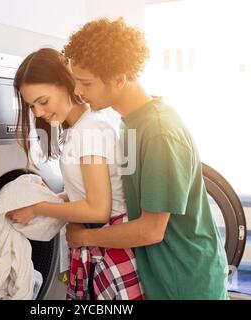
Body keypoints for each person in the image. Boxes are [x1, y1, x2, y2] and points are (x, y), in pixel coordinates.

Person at [63, 17, 229, 300]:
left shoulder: (159, 133)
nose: (78, 91)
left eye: (85, 83)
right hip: (157, 274)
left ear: (119, 79)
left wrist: (84, 238)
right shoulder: (128, 122)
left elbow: (151, 230)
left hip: (185, 281)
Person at [6, 48, 145, 300]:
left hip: (110, 248)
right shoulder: (75, 130)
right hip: (98, 244)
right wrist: (47, 200)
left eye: (43, 101)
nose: (37, 113)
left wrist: (38, 208)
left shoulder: (89, 131)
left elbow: (97, 209)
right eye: (31, 106)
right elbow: (82, 192)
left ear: (66, 83)